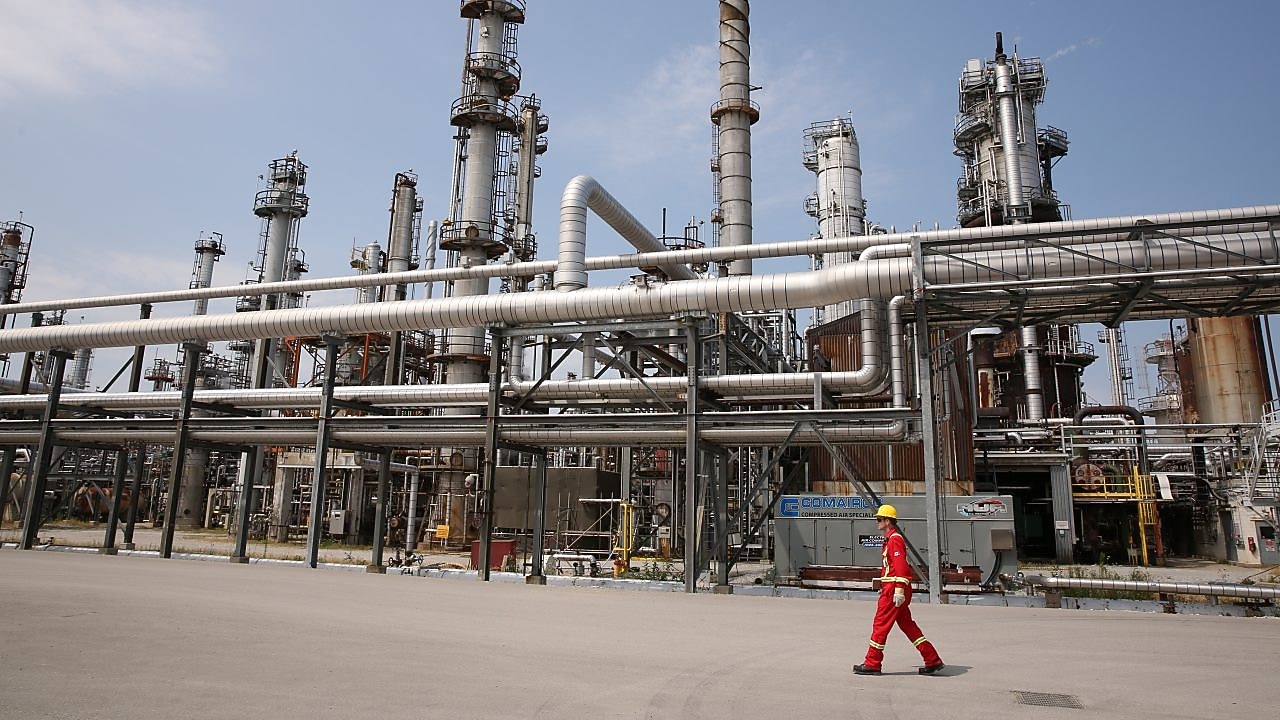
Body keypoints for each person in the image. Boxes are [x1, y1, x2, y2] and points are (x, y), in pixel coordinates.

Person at [853, 504, 945, 676]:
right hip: (892, 588)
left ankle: (872, 663)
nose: (877, 522)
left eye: (879, 519)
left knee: (880, 625)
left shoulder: (894, 539)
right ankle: (932, 659)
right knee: (908, 626)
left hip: (893, 590)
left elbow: (901, 567)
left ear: (888, 521)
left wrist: (899, 590)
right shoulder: (891, 539)